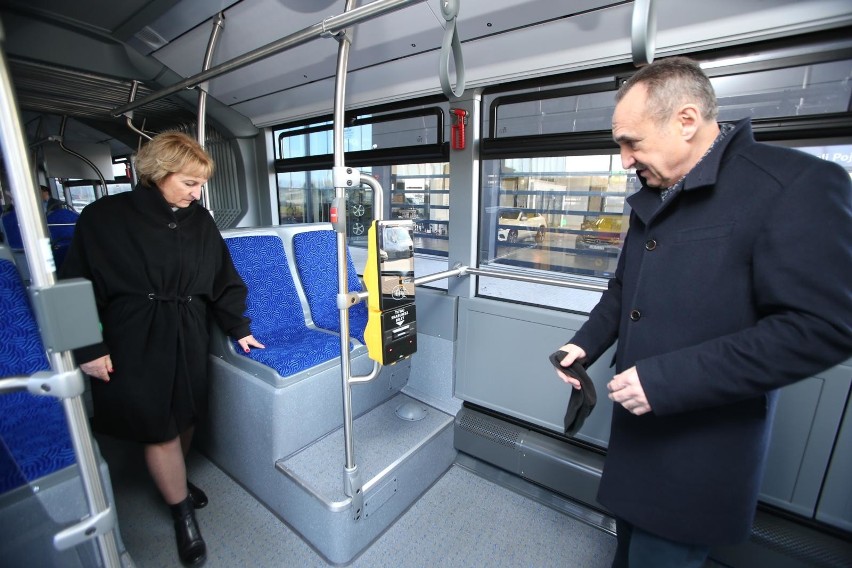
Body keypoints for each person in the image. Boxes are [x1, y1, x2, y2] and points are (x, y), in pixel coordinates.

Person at [553, 57, 852, 568]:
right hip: (638, 428)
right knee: (627, 550)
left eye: (632, 142)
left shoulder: (793, 184)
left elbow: (822, 327)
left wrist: (666, 381)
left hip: (701, 443)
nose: (624, 160)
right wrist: (586, 342)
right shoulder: (655, 193)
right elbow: (625, 290)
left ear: (686, 122)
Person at [60, 131, 265, 566]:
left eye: (200, 183)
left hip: (188, 328)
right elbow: (74, 286)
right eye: (189, 182)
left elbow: (222, 277)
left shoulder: (200, 219)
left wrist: (237, 325)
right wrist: (88, 348)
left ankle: (176, 480)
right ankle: (181, 511)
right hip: (135, 332)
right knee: (159, 424)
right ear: (158, 174)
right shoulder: (103, 217)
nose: (198, 192)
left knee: (186, 412)